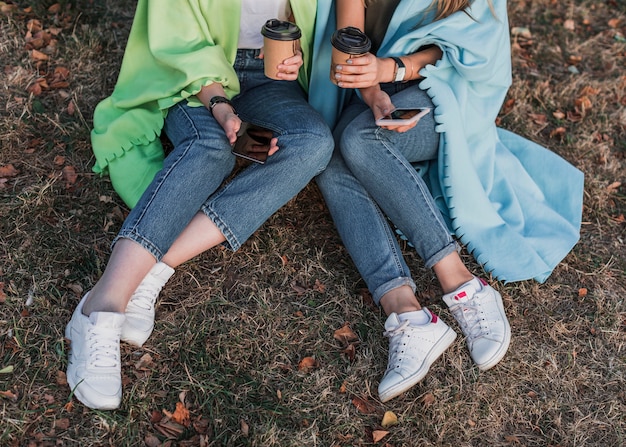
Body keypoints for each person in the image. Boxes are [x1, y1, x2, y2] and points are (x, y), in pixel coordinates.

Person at [309, 0, 584, 402]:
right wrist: (372, 92)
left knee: (358, 140)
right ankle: (406, 312)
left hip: (445, 92)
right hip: (371, 97)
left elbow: (469, 48)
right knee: (336, 157)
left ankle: (463, 285)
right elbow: (348, 47)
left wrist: (393, 69)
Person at [65, 0, 333, 410]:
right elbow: (179, 39)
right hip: (191, 78)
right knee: (212, 148)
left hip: (267, 80)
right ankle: (99, 307)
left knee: (312, 143)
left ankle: (156, 265)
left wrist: (296, 52)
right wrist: (221, 105)